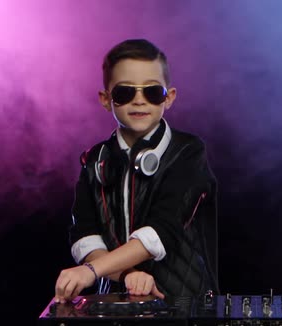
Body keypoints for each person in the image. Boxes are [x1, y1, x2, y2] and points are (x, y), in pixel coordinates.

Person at [54, 39, 219, 303]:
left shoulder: (188, 152)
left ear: (170, 97)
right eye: (125, 92)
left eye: (152, 92)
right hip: (116, 304)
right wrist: (128, 273)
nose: (139, 101)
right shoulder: (94, 160)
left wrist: (91, 271)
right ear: (106, 99)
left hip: (184, 302)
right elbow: (85, 235)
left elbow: (163, 229)